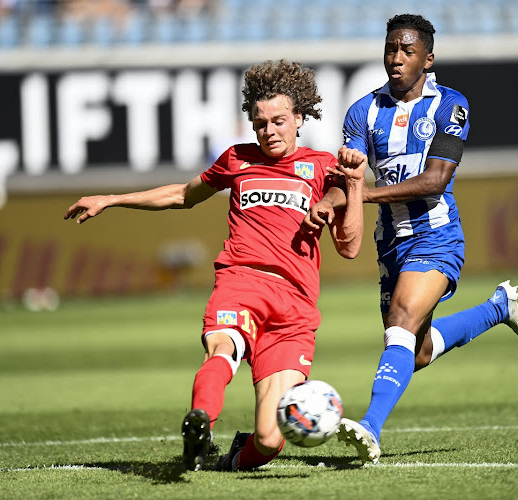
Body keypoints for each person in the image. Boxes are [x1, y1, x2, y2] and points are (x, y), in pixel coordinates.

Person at [64, 59, 367, 471]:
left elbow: (349, 247)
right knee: (222, 351)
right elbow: (182, 195)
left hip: (294, 307)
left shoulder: (320, 166)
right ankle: (201, 422)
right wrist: (110, 199)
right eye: (260, 123)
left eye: (278, 120)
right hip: (240, 282)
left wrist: (347, 188)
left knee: (270, 440)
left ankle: (223, 461)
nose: (269, 131)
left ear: (299, 118)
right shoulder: (236, 159)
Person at [303, 14, 518, 464]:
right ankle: (497, 308)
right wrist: (330, 200)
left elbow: (434, 180)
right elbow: (344, 182)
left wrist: (361, 192)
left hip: (436, 236)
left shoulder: (451, 105)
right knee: (418, 350)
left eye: (407, 51)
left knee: (401, 323)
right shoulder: (362, 111)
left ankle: (369, 426)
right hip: (390, 244)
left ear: (427, 59)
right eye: (391, 49)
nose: (396, 58)